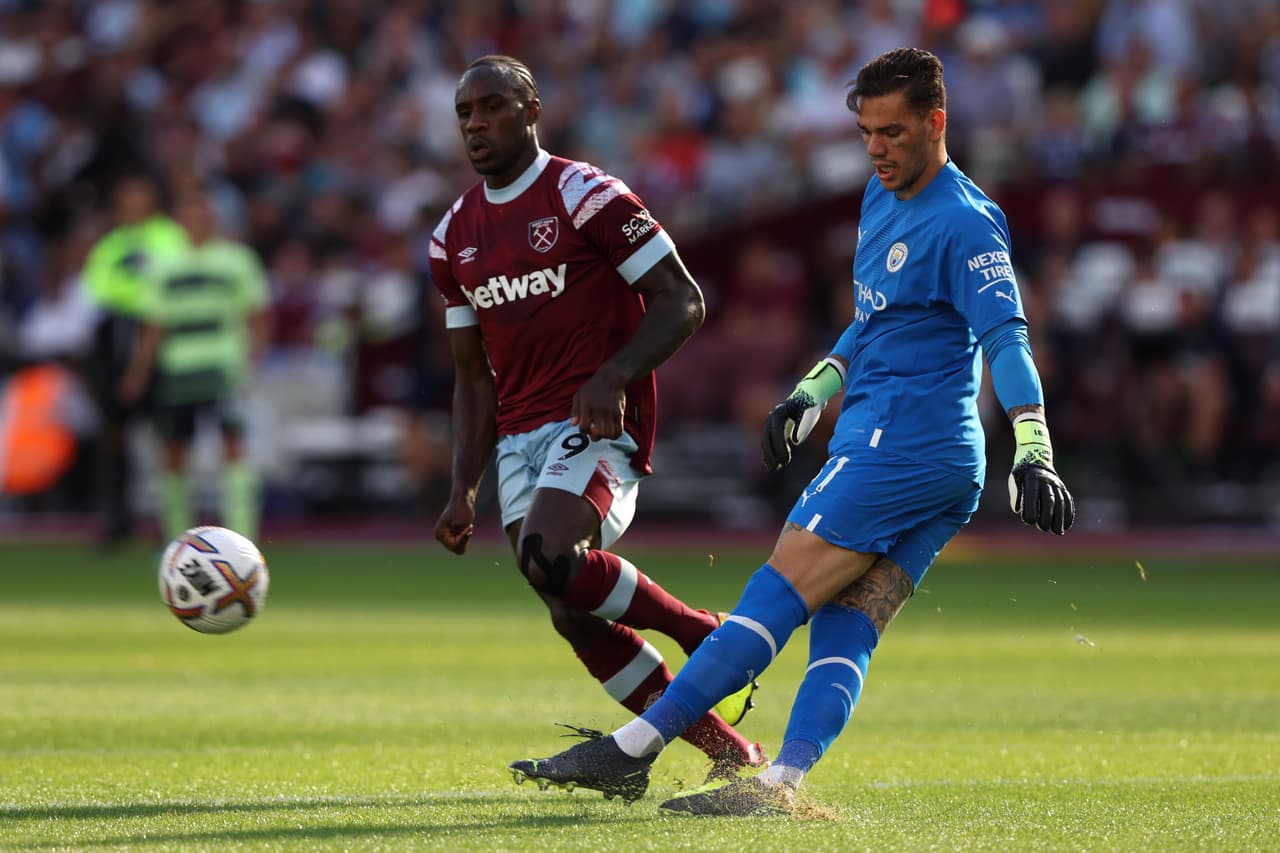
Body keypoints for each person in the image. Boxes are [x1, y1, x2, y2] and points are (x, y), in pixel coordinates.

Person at [508, 47, 1075, 814]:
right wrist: (812, 390)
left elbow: (1007, 338)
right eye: (867, 131)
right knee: (848, 623)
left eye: (894, 132)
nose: (877, 147)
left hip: (899, 449)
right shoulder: (882, 197)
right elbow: (878, 321)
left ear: (937, 123)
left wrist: (1034, 448)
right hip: (935, 465)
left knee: (771, 597)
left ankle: (632, 749)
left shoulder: (966, 222)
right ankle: (781, 783)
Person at [428, 55, 765, 779]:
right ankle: (729, 752)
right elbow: (470, 374)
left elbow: (684, 300)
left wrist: (613, 374)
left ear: (532, 109)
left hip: (598, 420)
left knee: (551, 559)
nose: (476, 123)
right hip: (517, 438)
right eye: (465, 113)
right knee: (568, 606)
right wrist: (463, 485)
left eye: (492, 106)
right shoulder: (451, 235)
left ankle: (703, 632)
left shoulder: (585, 194)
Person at [118, 186, 270, 542]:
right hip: (179, 369)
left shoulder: (237, 259)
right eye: (189, 214)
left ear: (213, 217)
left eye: (202, 213)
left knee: (233, 446)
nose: (197, 220)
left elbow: (258, 314)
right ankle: (178, 539)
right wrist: (138, 373)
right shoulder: (163, 265)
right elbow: (153, 326)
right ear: (180, 221)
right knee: (173, 452)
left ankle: (242, 536)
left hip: (224, 367)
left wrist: (254, 355)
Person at [81, 174, 189, 543]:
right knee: (113, 432)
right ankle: (117, 517)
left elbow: (169, 283)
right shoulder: (110, 244)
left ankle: (170, 521)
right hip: (116, 336)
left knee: (166, 435)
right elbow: (99, 288)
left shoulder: (168, 236)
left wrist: (140, 300)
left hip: (161, 337)